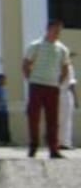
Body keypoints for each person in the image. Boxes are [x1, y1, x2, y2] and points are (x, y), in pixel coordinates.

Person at [21, 18, 70, 159]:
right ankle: (33, 146)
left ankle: (53, 149)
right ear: (48, 29)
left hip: (52, 87)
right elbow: (25, 64)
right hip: (36, 85)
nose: (57, 33)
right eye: (55, 30)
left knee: (53, 119)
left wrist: (58, 81)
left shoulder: (62, 49)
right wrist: (30, 79)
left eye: (59, 31)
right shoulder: (35, 45)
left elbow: (65, 67)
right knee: (34, 117)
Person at [60, 56, 76, 151]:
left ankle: (59, 142)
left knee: (58, 120)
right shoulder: (69, 68)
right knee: (66, 120)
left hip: (56, 93)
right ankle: (65, 142)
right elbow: (72, 85)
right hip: (65, 93)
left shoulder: (55, 67)